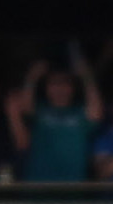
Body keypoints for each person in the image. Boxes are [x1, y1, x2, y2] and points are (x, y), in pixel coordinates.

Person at [10, 48, 101, 183]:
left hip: (72, 189)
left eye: (64, 83)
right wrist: (32, 78)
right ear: (46, 88)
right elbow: (24, 107)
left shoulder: (80, 113)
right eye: (54, 83)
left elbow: (96, 113)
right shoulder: (39, 110)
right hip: (38, 187)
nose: (59, 88)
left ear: (72, 87)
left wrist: (86, 77)